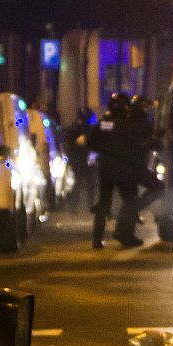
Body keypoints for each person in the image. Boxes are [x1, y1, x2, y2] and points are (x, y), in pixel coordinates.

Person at [86, 93, 142, 249]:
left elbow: (91, 142)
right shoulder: (126, 124)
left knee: (104, 202)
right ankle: (126, 234)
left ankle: (97, 239)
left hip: (106, 167)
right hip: (122, 167)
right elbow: (135, 145)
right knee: (130, 201)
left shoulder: (104, 123)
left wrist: (103, 153)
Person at [64, 107, 98, 213]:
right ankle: (75, 206)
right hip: (79, 160)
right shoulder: (78, 129)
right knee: (80, 183)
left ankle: (79, 206)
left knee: (85, 183)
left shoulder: (80, 128)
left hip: (82, 160)